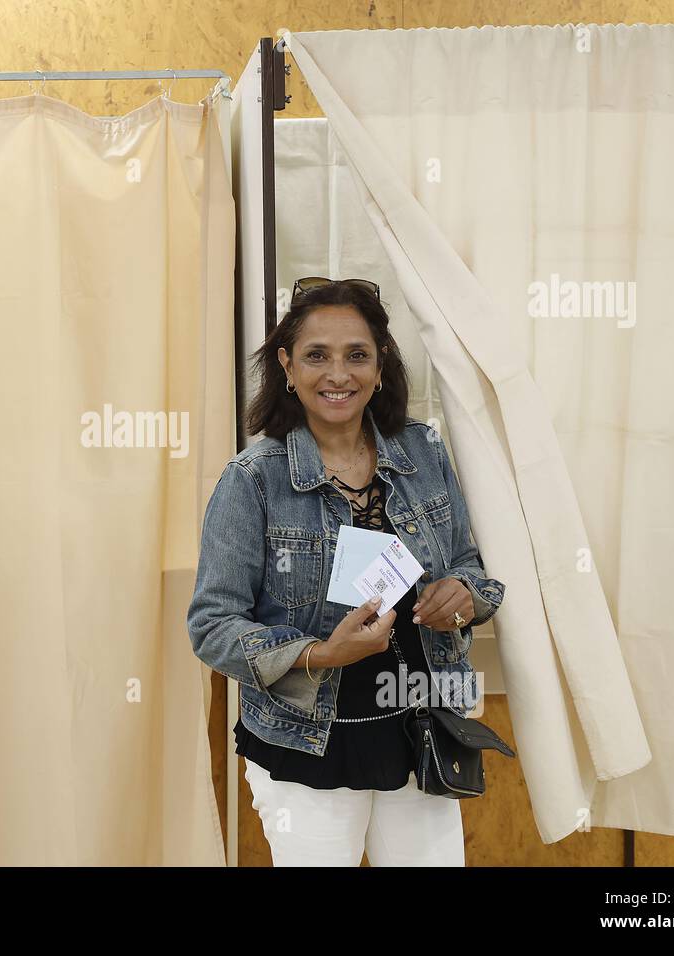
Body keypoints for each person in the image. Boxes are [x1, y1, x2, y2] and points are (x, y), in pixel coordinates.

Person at [187, 277, 506, 866]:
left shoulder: (423, 452)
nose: (339, 374)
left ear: (381, 364)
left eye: (357, 355)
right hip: (307, 743)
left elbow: (474, 568)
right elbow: (212, 625)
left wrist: (464, 595)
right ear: (286, 365)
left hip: (419, 729)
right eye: (317, 355)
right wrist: (320, 654)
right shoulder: (253, 479)